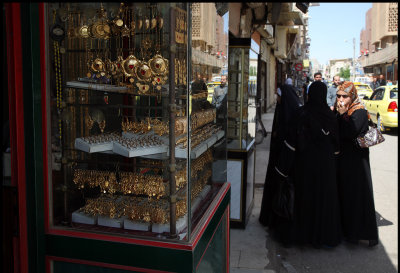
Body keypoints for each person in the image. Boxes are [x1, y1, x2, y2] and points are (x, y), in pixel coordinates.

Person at [270, 81, 342, 248]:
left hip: (305, 167)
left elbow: (292, 143)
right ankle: (323, 238)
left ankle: (304, 236)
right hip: (326, 168)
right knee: (323, 201)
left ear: (310, 95)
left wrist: (281, 169)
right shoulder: (331, 117)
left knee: (305, 199)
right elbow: (336, 147)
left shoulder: (302, 114)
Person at [335, 81, 379, 247]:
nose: (341, 99)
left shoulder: (358, 111)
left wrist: (341, 115)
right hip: (345, 160)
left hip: (356, 161)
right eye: (339, 96)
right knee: (347, 196)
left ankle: (361, 233)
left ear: (351, 96)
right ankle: (349, 232)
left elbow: (349, 133)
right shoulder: (345, 110)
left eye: (344, 96)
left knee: (358, 197)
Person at [259, 78, 302, 228]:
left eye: (278, 96)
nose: (276, 98)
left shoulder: (293, 116)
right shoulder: (282, 111)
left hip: (285, 165)